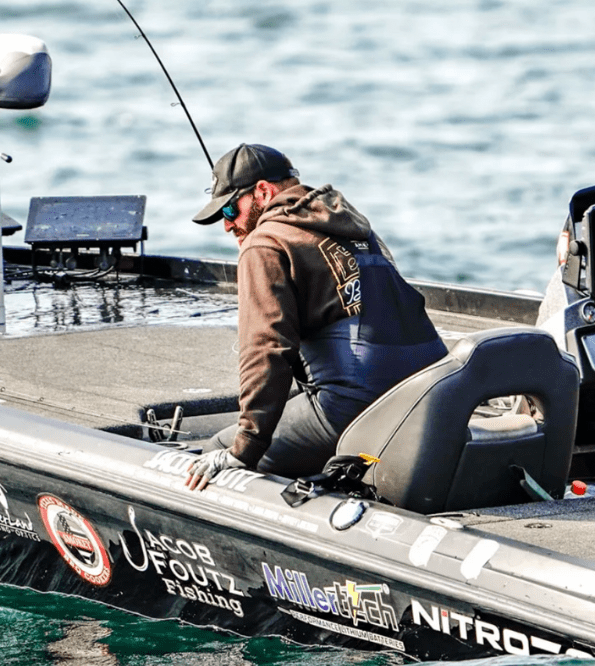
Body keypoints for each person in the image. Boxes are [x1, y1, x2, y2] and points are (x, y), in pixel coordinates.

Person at [184, 144, 447, 490]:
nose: (228, 224)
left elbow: (266, 348)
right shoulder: (357, 228)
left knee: (218, 451)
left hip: (351, 408)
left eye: (231, 208)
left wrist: (244, 447)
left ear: (263, 191)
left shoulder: (264, 242)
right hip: (429, 395)